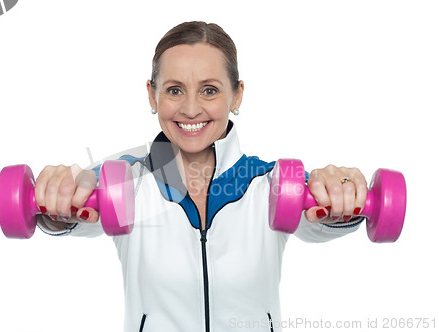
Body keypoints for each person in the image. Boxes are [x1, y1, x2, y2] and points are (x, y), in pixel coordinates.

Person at [34, 21, 368, 332]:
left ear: (236, 95)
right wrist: (59, 198)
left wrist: (342, 194)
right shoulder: (128, 183)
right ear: (152, 95)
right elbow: (74, 208)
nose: (191, 109)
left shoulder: (271, 183)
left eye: (209, 90)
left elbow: (322, 221)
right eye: (175, 90)